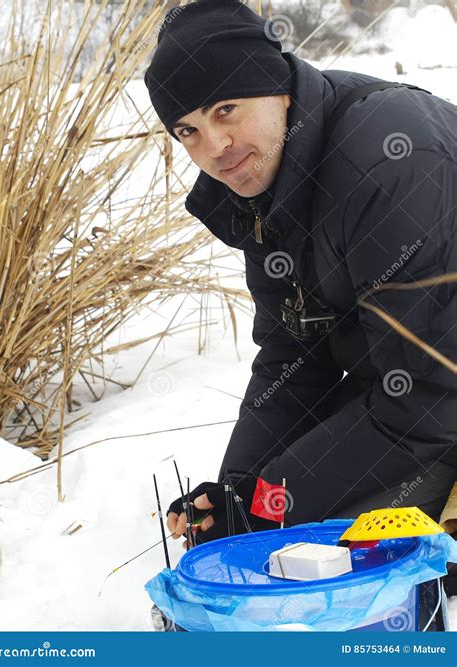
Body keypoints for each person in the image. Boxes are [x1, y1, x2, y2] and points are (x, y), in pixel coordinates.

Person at [144, 0, 456, 549]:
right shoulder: (263, 186)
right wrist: (238, 490)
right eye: (187, 130)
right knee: (282, 532)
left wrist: (271, 507)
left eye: (226, 110)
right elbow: (294, 353)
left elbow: (425, 399)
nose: (214, 148)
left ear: (279, 87)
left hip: (435, 389)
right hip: (412, 378)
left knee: (333, 545)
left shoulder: (387, 163)